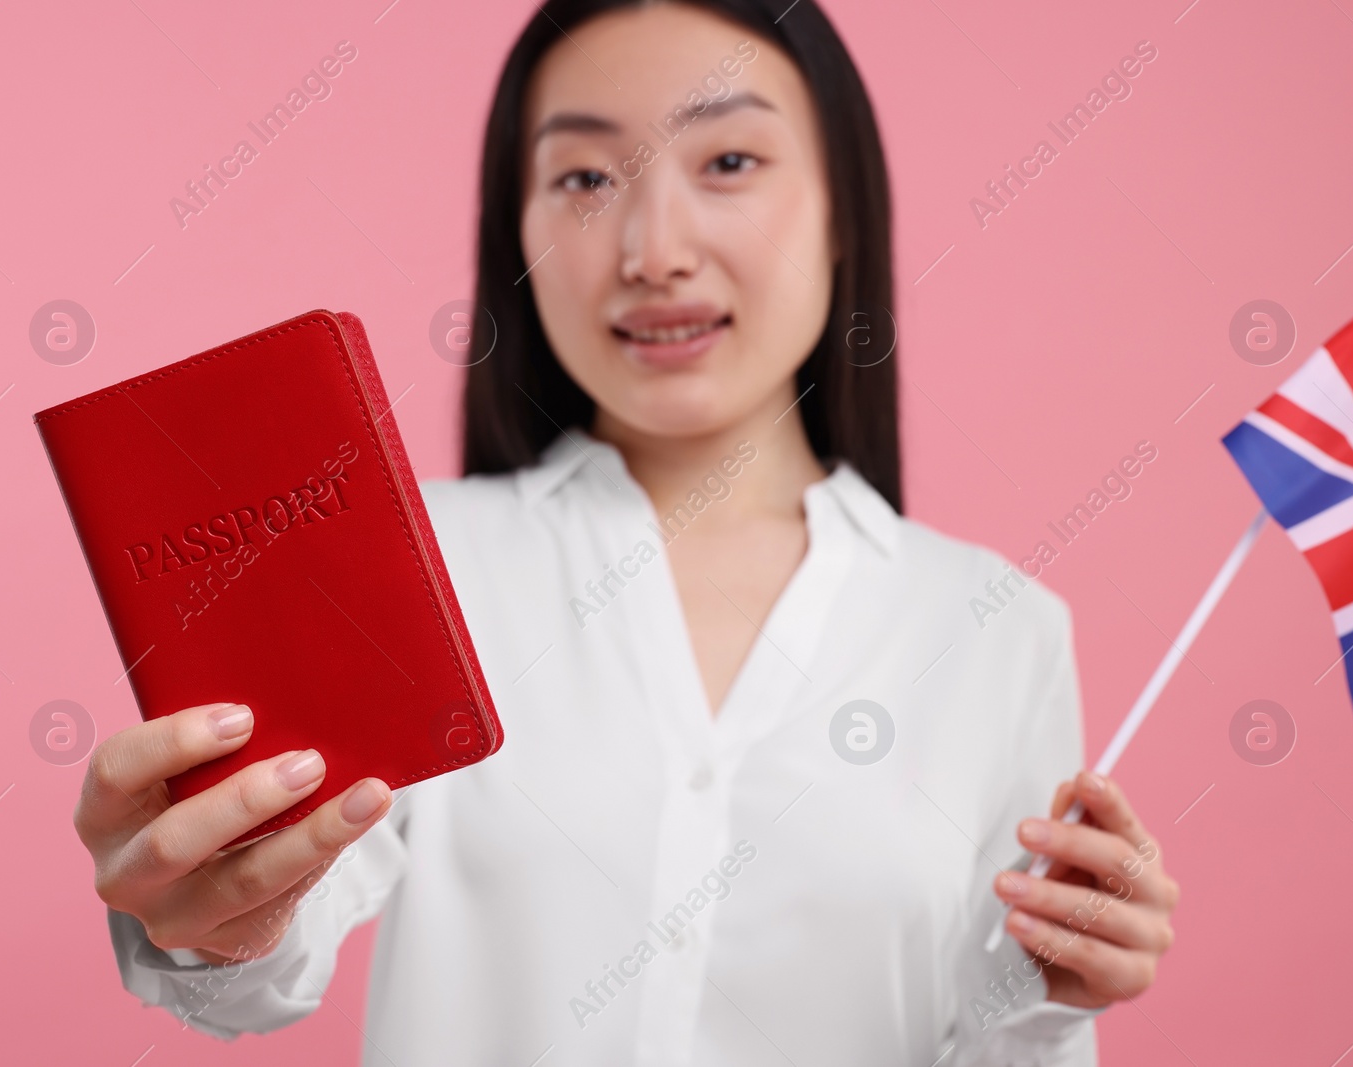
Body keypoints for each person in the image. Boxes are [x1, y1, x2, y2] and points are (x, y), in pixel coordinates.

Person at [75, 1, 1179, 1063]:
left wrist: (1048, 997)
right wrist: (219, 915)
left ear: (846, 205)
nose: (652, 249)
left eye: (729, 163)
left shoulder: (993, 629)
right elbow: (270, 953)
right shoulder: (421, 564)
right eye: (585, 178)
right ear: (518, 227)